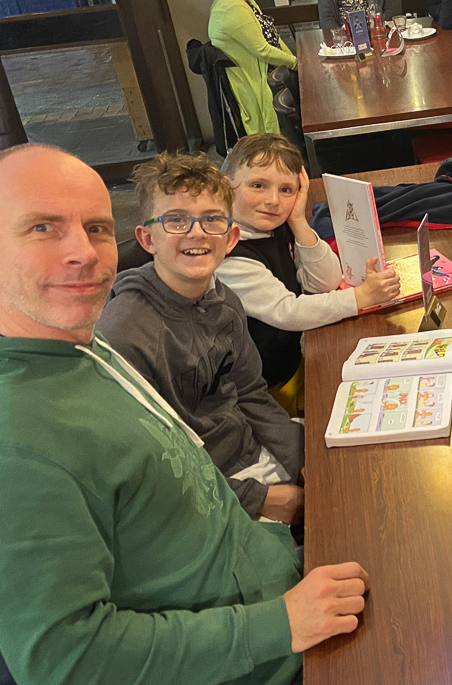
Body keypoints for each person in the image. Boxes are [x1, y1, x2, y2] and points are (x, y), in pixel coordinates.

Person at [0, 143, 369, 684]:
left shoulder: (81, 350)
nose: (83, 253)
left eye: (95, 228)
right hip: (263, 650)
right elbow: (70, 662)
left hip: (276, 572)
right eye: (42, 228)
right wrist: (282, 622)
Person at [97, 152, 305, 525]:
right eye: (176, 220)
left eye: (211, 219)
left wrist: (302, 464)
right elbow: (152, 469)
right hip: (204, 496)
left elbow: (250, 393)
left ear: (231, 237)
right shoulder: (124, 335)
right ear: (147, 238)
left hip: (250, 454)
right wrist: (258, 499)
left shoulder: (225, 301)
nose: (197, 232)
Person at [216, 134, 400, 411]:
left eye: (286, 190)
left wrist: (298, 221)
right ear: (226, 186)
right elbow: (287, 312)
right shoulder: (227, 254)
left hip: (291, 365)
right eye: (258, 185)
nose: (273, 200)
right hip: (260, 391)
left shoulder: (273, 225)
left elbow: (325, 282)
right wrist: (360, 298)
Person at [208, 0, 297, 135]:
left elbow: (273, 37)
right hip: (262, 84)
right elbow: (263, 50)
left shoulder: (244, 0)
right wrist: (296, 64)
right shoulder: (230, 8)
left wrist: (294, 61)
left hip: (275, 76)